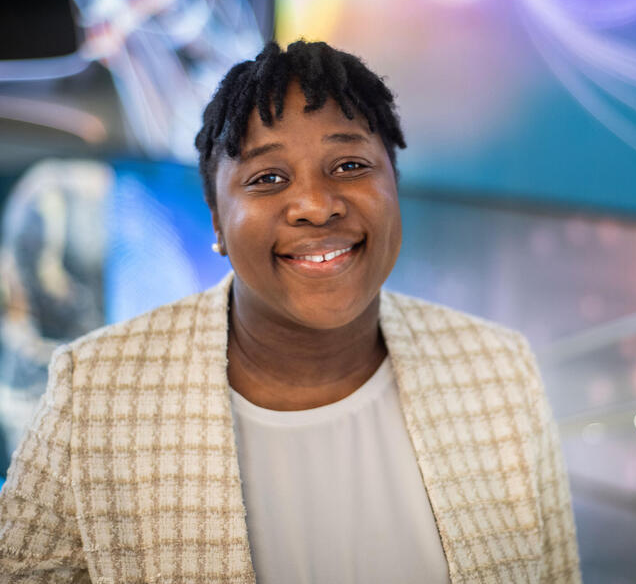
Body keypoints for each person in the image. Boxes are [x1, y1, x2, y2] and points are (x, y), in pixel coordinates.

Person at [0, 41, 581, 583]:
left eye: (349, 166)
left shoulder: (499, 368)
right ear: (217, 222)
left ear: (395, 185)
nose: (316, 206)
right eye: (268, 177)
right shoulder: (96, 389)